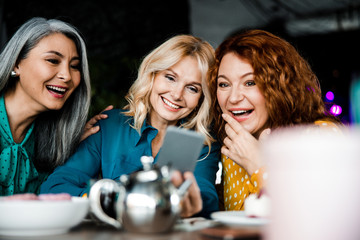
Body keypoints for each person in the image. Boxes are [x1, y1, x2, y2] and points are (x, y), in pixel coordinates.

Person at [41, 35, 221, 218]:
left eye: (192, 88)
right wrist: (105, 200)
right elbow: (55, 187)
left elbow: (205, 198)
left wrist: (189, 203)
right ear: (152, 75)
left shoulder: (202, 143)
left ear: (201, 99)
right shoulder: (108, 125)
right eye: (170, 77)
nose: (176, 94)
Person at [208, 29, 342, 211]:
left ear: (280, 87)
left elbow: (319, 220)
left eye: (250, 82)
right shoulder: (233, 146)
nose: (233, 98)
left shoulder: (319, 137)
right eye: (224, 84)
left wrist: (258, 165)